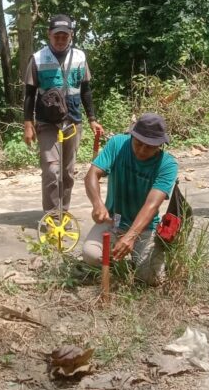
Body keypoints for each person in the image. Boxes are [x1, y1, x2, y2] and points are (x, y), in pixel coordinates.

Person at [82, 113, 179, 286]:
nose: (141, 150)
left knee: (152, 277)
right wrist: (97, 204)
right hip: (114, 220)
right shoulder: (117, 144)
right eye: (138, 143)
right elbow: (92, 174)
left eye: (149, 147)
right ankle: (117, 264)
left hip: (144, 228)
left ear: (160, 145)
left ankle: (140, 259)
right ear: (132, 136)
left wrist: (131, 236)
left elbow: (152, 205)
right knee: (91, 255)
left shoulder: (167, 165)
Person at [23, 14, 104, 214]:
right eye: (56, 36)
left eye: (64, 36)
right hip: (47, 121)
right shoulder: (38, 58)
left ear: (71, 36)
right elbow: (30, 93)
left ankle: (63, 213)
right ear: (49, 35)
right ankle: (52, 216)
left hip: (73, 121)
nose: (60, 40)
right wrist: (28, 123)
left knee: (67, 172)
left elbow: (85, 90)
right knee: (52, 170)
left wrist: (92, 119)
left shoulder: (80, 57)